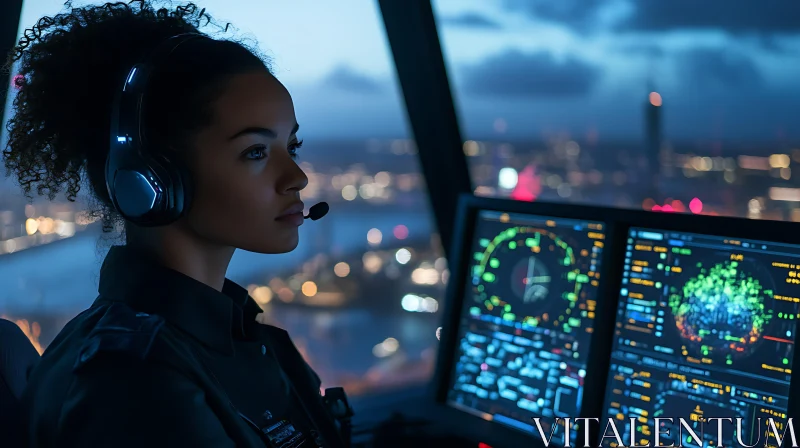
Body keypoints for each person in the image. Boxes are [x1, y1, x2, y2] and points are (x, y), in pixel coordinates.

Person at [2, 1, 349, 446]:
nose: (297, 178)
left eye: (291, 146)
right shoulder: (135, 384)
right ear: (152, 178)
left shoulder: (229, 338)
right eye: (256, 153)